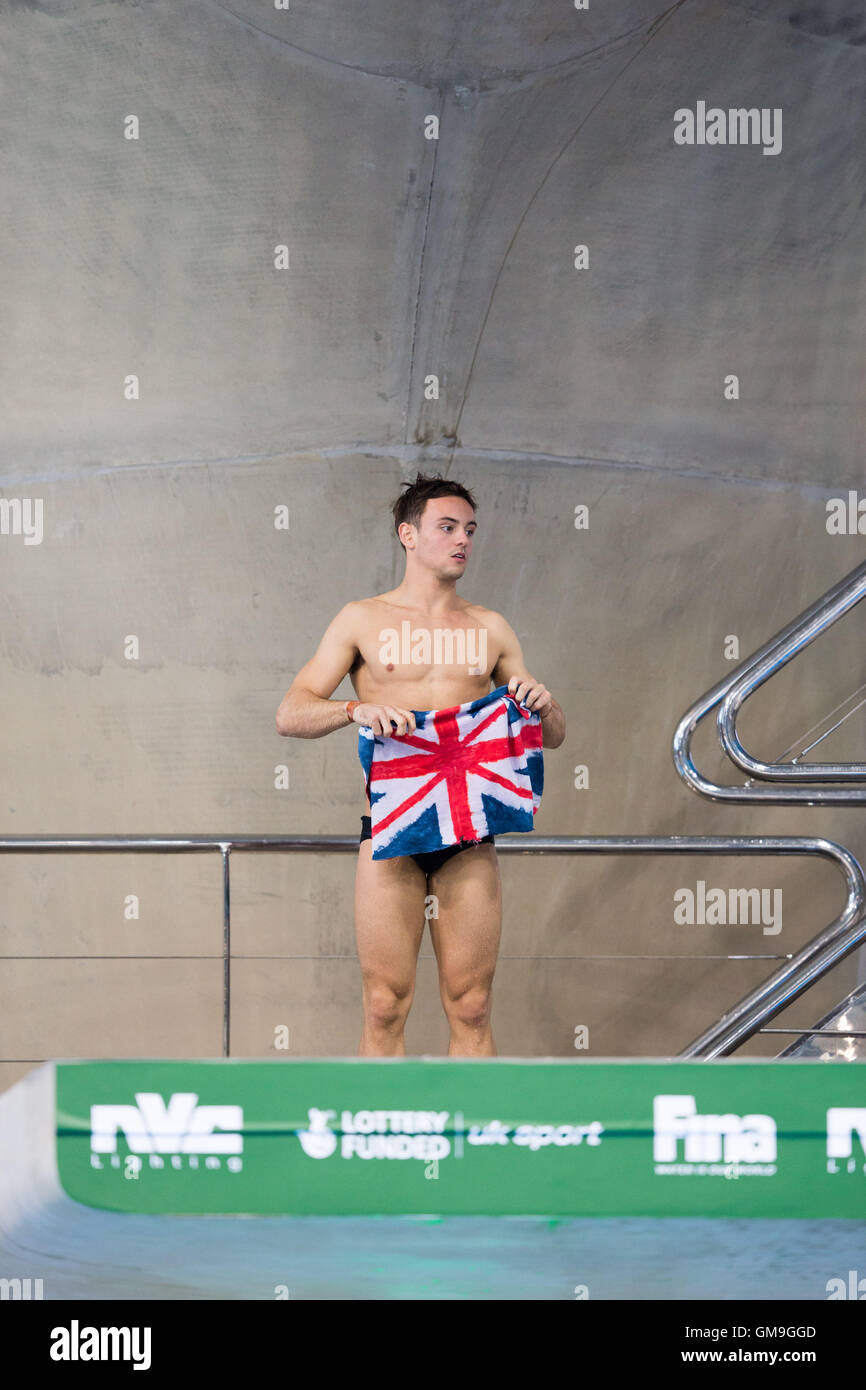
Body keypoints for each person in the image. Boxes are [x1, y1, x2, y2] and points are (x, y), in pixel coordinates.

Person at [276, 471, 565, 1056]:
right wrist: (355, 709)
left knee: (473, 1005)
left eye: (470, 530)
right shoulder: (362, 619)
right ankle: (386, 1144)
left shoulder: (490, 627)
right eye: (447, 527)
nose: (462, 540)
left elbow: (552, 736)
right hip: (389, 830)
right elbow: (292, 713)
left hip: (470, 833)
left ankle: (473, 1145)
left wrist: (546, 705)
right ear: (408, 535)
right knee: (384, 1005)